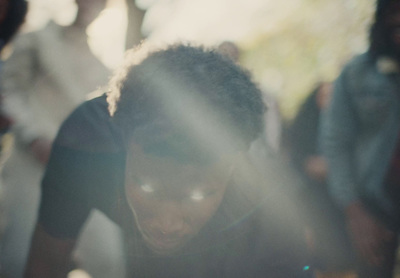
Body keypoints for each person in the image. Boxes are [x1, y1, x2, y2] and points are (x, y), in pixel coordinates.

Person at [24, 43, 313, 277]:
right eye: (147, 186)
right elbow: (46, 264)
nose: (167, 224)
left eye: (200, 193)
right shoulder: (85, 145)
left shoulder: (269, 210)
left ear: (234, 166)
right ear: (122, 142)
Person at [0, 0, 126, 277]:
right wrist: (34, 138)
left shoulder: (101, 64)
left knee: (108, 258)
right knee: (20, 256)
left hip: (83, 172)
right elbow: (9, 92)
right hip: (31, 164)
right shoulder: (35, 40)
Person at [321, 0, 400, 277]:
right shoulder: (357, 74)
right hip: (374, 208)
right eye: (393, 13)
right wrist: (356, 213)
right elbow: (335, 143)